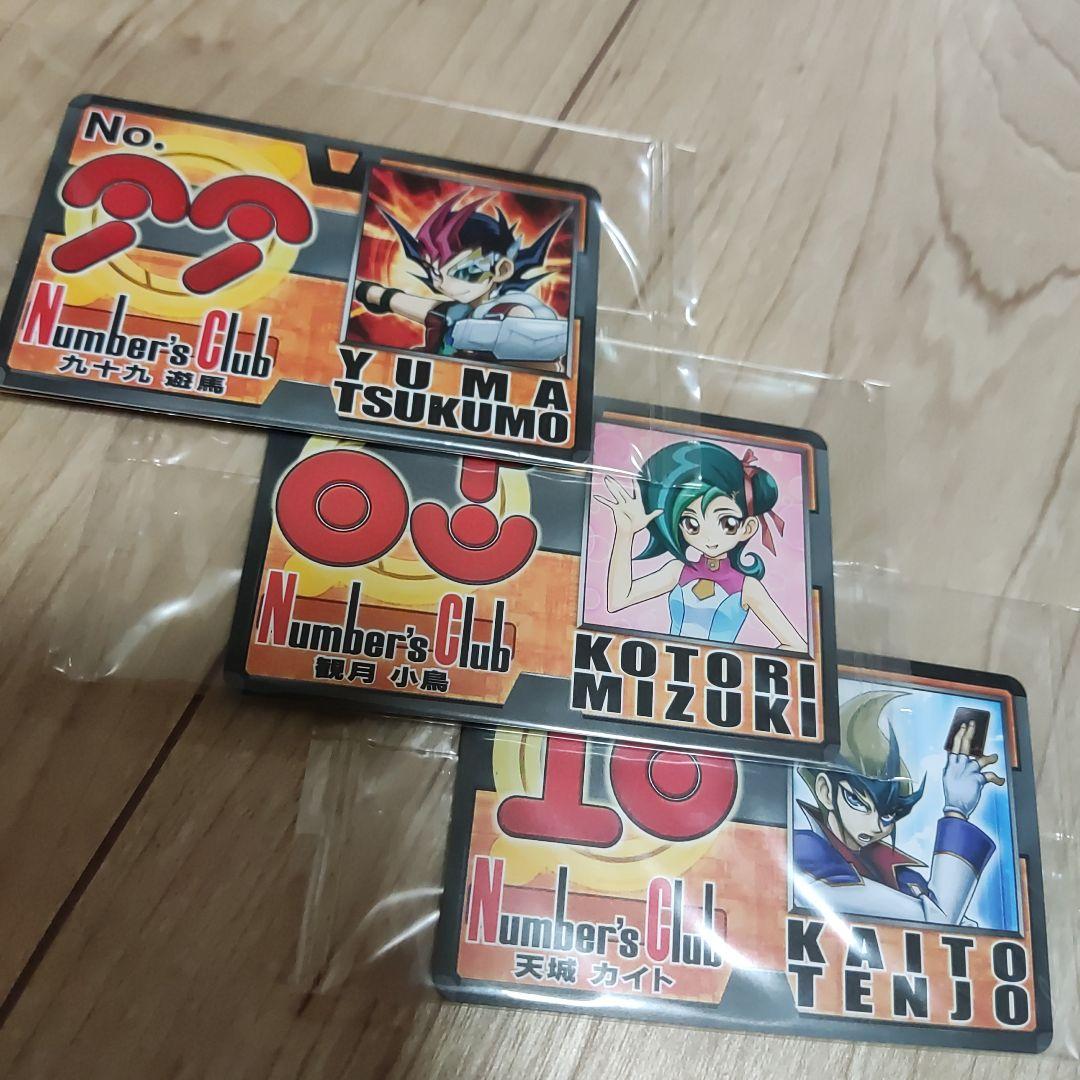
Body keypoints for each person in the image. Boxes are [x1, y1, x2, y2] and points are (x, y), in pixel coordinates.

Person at [596, 439, 806, 650]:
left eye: (727, 523)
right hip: (666, 667)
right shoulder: (677, 571)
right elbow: (618, 601)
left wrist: (748, 668)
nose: (709, 537)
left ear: (748, 528)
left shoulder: (747, 587)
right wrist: (625, 534)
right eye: (692, 523)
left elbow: (797, 647)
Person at [352, 193, 570, 364]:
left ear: (502, 269)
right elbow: (387, 297)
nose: (443, 284)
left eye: (460, 271)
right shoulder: (452, 313)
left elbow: (541, 356)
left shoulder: (515, 312)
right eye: (435, 272)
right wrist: (358, 288)